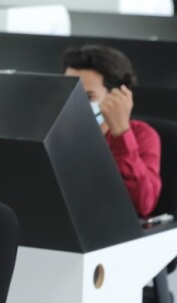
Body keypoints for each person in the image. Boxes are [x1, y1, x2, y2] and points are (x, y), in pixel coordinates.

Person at [62, 45, 162, 218]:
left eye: (88, 97)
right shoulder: (57, 132)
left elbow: (144, 204)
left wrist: (121, 132)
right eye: (68, 93)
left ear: (117, 96)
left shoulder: (143, 135)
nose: (74, 103)